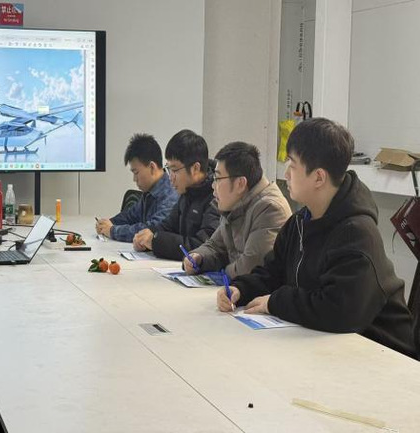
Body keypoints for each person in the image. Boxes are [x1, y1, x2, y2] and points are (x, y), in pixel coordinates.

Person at [216, 118, 416, 357]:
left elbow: (338, 310)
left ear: (319, 177)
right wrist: (241, 289)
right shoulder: (299, 222)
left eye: (293, 165)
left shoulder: (357, 233)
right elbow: (272, 272)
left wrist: (275, 302)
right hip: (328, 346)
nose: (286, 174)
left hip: (381, 353)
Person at [184, 141, 291, 278]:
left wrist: (220, 273)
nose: (213, 186)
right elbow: (214, 246)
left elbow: (250, 268)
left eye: (217, 178)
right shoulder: (235, 204)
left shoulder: (270, 208)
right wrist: (199, 257)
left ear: (240, 183)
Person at [133, 129, 220, 260]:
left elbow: (203, 247)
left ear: (195, 168)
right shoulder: (187, 191)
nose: (170, 177)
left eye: (174, 170)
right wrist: (147, 235)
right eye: (169, 169)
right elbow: (167, 226)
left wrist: (155, 241)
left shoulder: (217, 196)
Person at [95, 133, 178, 242]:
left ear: (152, 167)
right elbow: (130, 215)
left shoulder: (171, 194)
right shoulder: (150, 191)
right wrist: (108, 223)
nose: (134, 179)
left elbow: (151, 230)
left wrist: (112, 230)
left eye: (136, 172)